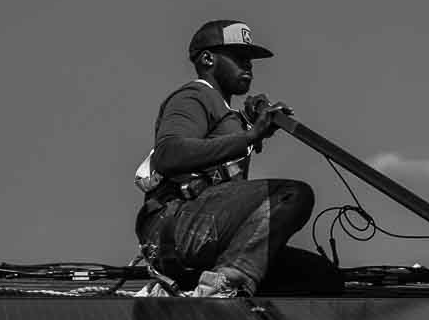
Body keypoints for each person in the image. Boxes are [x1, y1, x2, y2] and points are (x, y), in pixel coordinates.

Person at [134, 19, 339, 297]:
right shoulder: (194, 96)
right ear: (208, 58)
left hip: (206, 234)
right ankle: (224, 284)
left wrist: (248, 126)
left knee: (322, 277)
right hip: (176, 225)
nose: (249, 66)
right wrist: (250, 137)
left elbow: (223, 149)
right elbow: (169, 155)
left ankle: (229, 298)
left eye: (250, 60)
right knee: (292, 194)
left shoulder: (228, 114)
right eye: (239, 58)